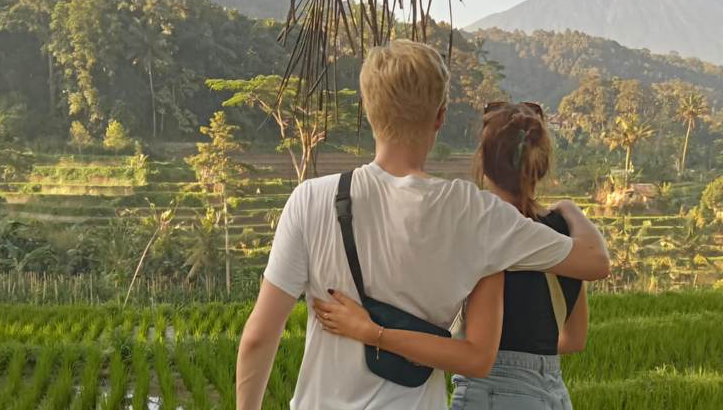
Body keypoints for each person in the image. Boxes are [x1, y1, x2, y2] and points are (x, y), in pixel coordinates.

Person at [236, 40, 609, 410]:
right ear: (440, 117)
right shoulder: (474, 212)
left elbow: (258, 337)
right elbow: (593, 263)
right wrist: (569, 209)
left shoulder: (310, 199)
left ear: (367, 109)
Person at [314, 102, 589, 410]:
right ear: (542, 164)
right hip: (553, 394)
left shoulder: (480, 228)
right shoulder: (564, 233)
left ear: (483, 163)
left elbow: (475, 356)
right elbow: (574, 339)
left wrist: (374, 333)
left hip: (491, 395)